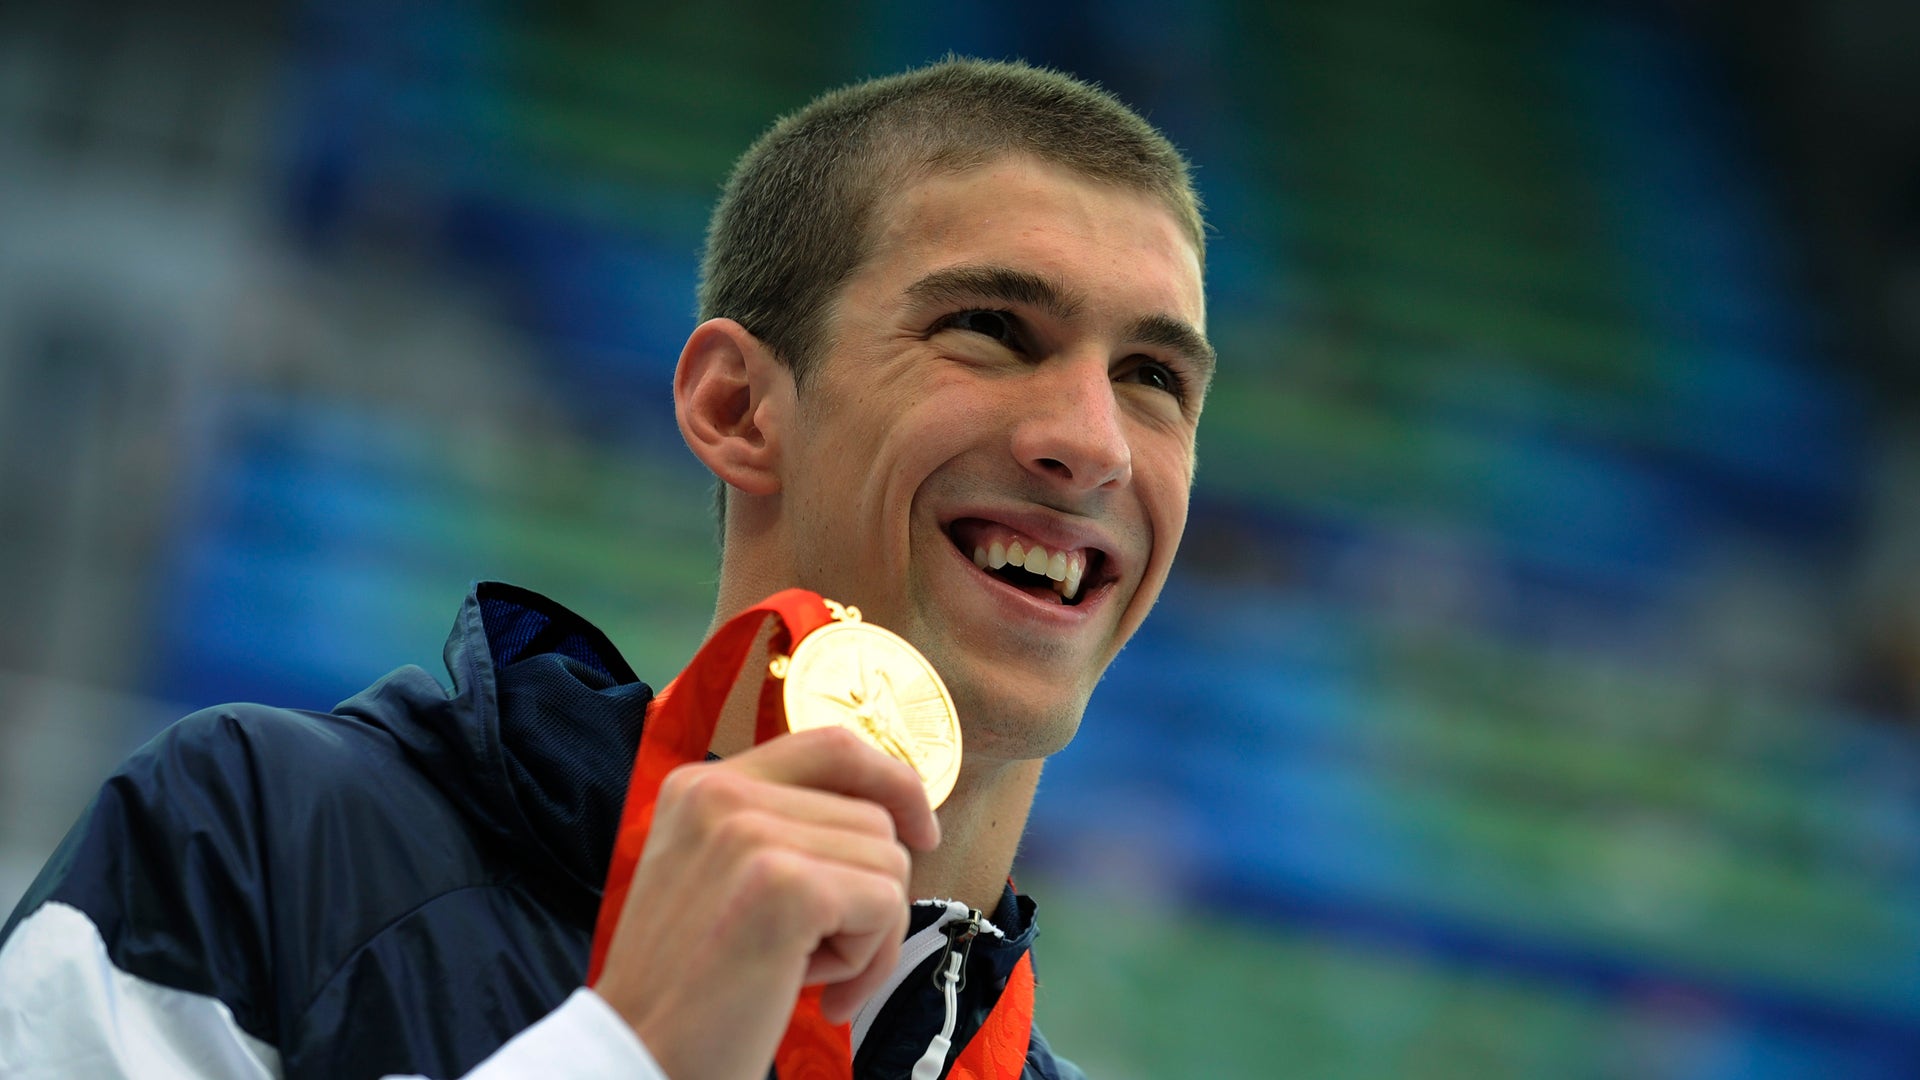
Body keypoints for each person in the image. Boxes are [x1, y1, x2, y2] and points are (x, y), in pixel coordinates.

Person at [0, 56, 1212, 1079]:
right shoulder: (262, 844)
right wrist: (630, 1052)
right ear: (740, 406)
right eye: (992, 332)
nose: (1094, 441)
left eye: (1153, 379)